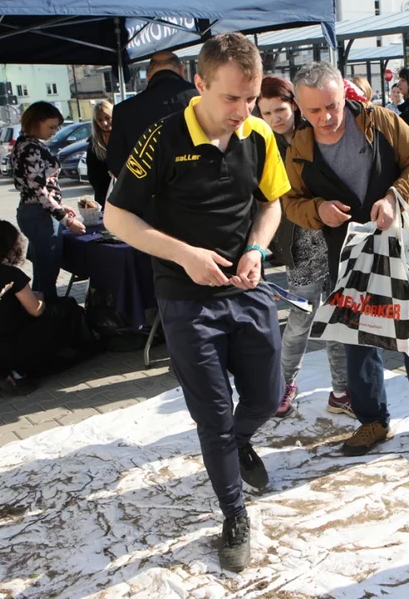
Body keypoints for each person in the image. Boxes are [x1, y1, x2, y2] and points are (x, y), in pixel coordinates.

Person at [104, 33, 290, 573]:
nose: (244, 110)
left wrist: (257, 247)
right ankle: (234, 515)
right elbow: (118, 218)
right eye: (232, 98)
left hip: (247, 289)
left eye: (251, 99)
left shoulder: (257, 135)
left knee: (268, 396)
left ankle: (239, 444)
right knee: (212, 415)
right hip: (186, 301)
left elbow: (271, 203)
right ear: (201, 84)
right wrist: (184, 255)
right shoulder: (160, 138)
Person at [283, 62, 409, 458]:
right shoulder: (299, 147)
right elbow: (289, 202)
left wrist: (394, 197)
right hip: (347, 255)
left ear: (345, 95)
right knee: (357, 337)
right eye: (315, 111)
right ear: (301, 109)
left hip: (398, 247)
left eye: (333, 106)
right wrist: (317, 210)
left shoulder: (381, 121)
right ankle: (372, 421)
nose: (326, 118)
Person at [257, 75, 352, 419]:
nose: (275, 118)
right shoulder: (262, 144)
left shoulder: (315, 134)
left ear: (294, 105)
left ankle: (341, 391)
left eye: (280, 110)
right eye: (266, 113)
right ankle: (283, 385)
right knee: (300, 319)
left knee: (337, 318)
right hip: (298, 247)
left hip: (334, 238)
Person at [0, 218, 100, 397]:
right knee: (63, 308)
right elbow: (37, 310)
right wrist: (40, 298)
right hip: (1, 350)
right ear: (9, 246)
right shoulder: (10, 274)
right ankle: (12, 372)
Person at [12, 102, 86, 300]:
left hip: (36, 212)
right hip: (39, 215)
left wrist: (59, 206)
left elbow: (37, 189)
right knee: (47, 275)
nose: (55, 132)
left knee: (43, 274)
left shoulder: (24, 143)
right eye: (51, 127)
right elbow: (39, 191)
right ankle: (48, 319)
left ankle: (40, 316)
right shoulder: (31, 148)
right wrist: (66, 219)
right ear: (36, 123)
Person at [106, 51, 199, 178]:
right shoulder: (203, 100)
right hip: (200, 190)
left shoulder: (124, 110)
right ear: (182, 70)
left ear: (149, 76)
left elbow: (116, 164)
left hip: (149, 193)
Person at [85, 100, 112, 205]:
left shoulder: (124, 137)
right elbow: (93, 175)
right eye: (100, 120)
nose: (104, 123)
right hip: (106, 198)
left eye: (107, 118)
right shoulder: (94, 144)